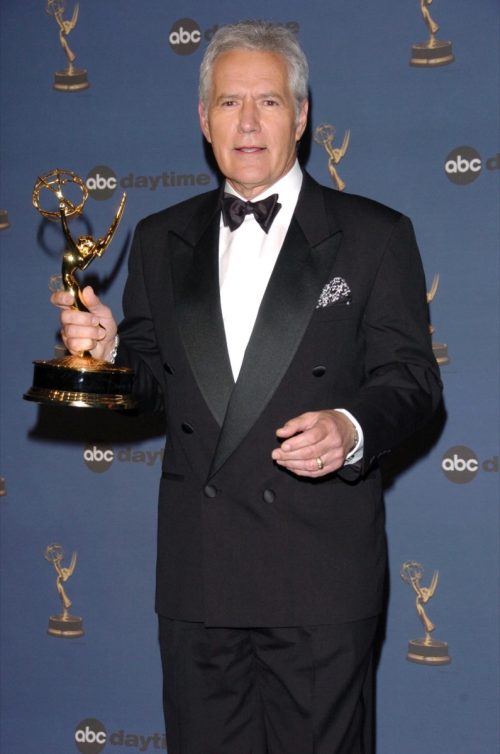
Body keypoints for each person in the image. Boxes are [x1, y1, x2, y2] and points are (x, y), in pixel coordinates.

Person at [52, 20, 442, 754]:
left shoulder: (374, 235)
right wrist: (106, 354)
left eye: (269, 101)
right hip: (201, 582)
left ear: (302, 115)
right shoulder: (163, 239)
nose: (250, 122)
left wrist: (351, 426)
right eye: (230, 103)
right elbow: (152, 388)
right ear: (204, 121)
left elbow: (413, 381)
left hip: (321, 580)